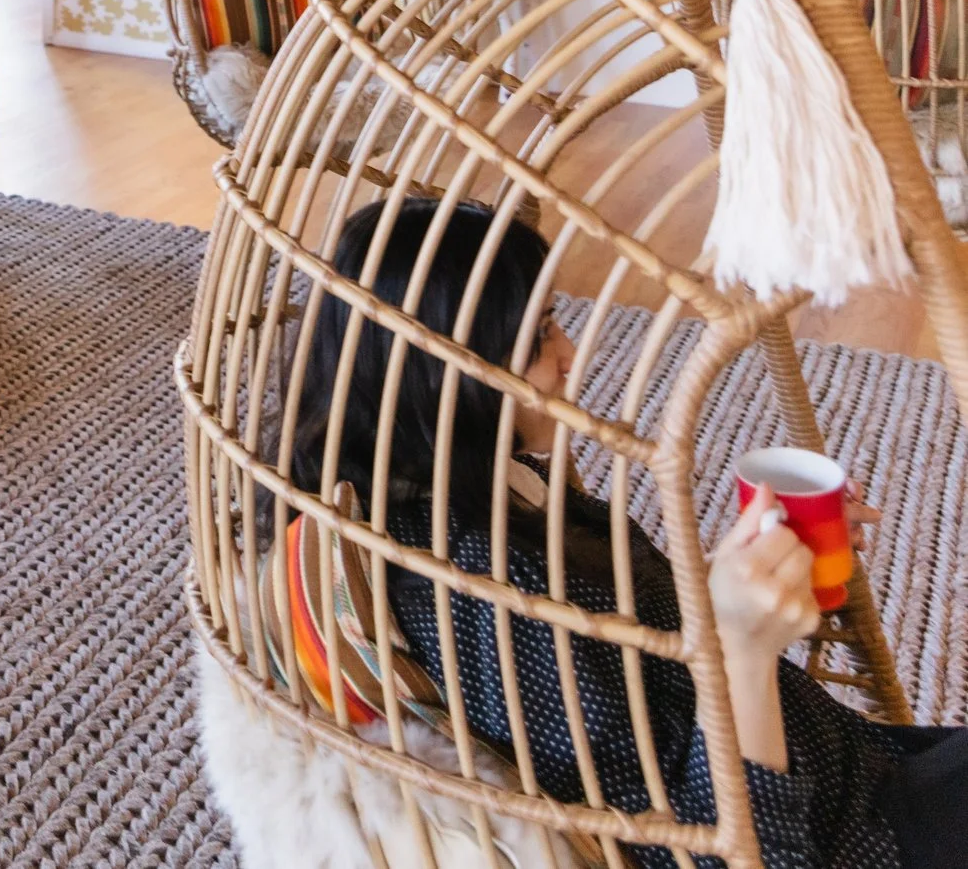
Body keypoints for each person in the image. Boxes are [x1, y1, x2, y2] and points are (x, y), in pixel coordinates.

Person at [289, 198, 967, 869]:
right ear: (446, 370)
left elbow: (641, 653)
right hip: (853, 837)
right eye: (539, 335)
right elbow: (711, 851)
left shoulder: (471, 492)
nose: (570, 353)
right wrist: (745, 651)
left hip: (854, 768)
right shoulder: (489, 596)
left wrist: (757, 573)